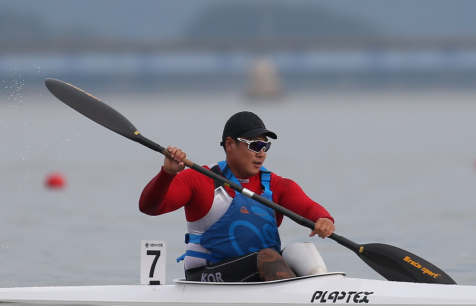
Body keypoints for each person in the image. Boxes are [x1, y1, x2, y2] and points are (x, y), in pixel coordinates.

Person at [139, 111, 335, 282]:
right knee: (268, 256)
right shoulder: (199, 179)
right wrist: (167, 174)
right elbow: (150, 208)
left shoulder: (277, 185)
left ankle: (318, 296)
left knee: (301, 250)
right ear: (230, 144)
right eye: (255, 145)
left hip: (259, 273)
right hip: (206, 275)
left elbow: (308, 207)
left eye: (265, 146)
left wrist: (323, 219)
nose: (261, 154)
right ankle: (293, 299)